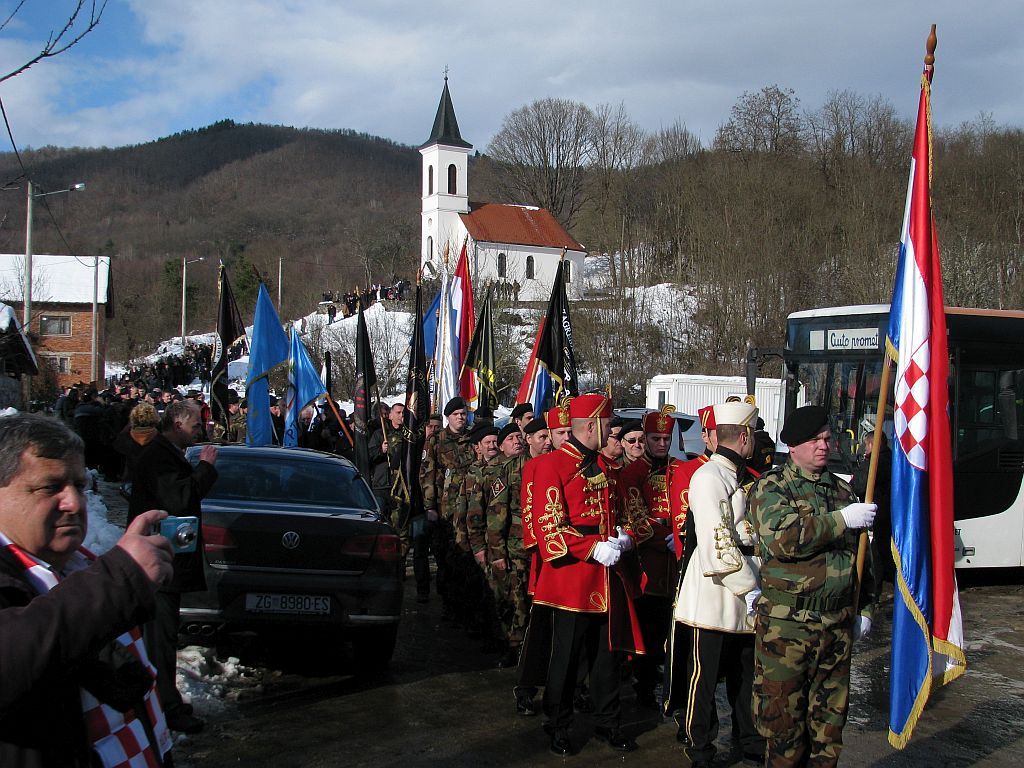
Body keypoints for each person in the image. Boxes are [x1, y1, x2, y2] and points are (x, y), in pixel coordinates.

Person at [0, 413, 175, 767]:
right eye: (50, 487)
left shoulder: (80, 567)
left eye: (79, 485)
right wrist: (119, 580)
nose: (74, 504)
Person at [748, 405, 877, 768]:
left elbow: (861, 556)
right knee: (783, 724)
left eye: (825, 439)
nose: (823, 446)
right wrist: (840, 521)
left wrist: (865, 606)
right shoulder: (773, 487)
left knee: (829, 728)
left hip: (835, 624)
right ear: (793, 446)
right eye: (814, 440)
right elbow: (783, 540)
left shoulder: (841, 490)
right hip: (788, 627)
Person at [530, 394, 644, 755]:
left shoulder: (607, 467)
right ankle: (558, 722)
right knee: (567, 656)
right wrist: (592, 548)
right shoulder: (552, 465)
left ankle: (608, 722)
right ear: (592, 425)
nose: (612, 430)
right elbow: (548, 525)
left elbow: (620, 510)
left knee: (606, 655)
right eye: (608, 424)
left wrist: (624, 535)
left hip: (608, 576)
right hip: (573, 578)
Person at [674, 401, 765, 767]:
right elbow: (717, 543)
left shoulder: (742, 476)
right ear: (744, 437)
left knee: (747, 676)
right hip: (714, 595)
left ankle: (751, 740)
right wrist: (751, 587)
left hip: (745, 595)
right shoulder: (709, 477)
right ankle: (701, 748)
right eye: (753, 436)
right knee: (704, 681)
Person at [129, 399, 219, 734]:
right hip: (156, 564)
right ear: (178, 424)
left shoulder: (166, 454)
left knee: (163, 639)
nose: (200, 430)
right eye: (196, 425)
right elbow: (180, 498)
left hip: (164, 562)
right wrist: (206, 467)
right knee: (159, 640)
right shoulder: (159, 457)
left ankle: (164, 702)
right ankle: (164, 707)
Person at [617, 406, 680, 709]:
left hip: (676, 566)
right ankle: (644, 689)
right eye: (655, 439)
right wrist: (660, 537)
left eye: (666, 439)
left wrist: (680, 536)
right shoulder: (632, 473)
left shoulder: (681, 469)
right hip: (648, 565)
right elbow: (634, 515)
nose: (660, 445)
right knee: (649, 631)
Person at [419, 397, 473, 621]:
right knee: (445, 559)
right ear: (448, 417)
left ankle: (465, 607)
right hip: (445, 509)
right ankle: (448, 605)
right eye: (456, 414)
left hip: (470, 507)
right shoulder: (436, 440)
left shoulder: (472, 438)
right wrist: (430, 506)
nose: (460, 417)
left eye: (463, 414)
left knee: (467, 560)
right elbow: (427, 475)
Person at [851, 428, 893, 600]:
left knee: (877, 554)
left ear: (871, 444)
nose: (865, 450)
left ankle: (874, 591)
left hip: (879, 513)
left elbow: (859, 486)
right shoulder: (893, 458)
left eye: (866, 446)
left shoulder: (874, 462)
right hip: (890, 512)